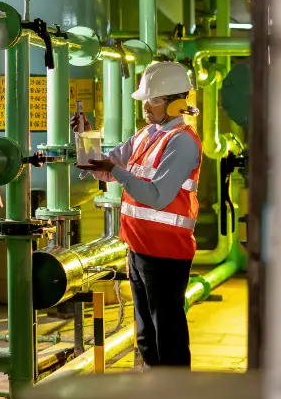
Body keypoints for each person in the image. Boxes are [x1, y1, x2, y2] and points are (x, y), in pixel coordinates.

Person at [71, 61, 202, 368]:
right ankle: (156, 398)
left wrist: (115, 170)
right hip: (138, 249)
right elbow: (102, 169)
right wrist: (85, 138)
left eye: (153, 99)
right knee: (146, 334)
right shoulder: (146, 136)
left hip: (166, 255)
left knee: (166, 335)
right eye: (145, 99)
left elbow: (156, 196)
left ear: (177, 103)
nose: (145, 106)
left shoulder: (182, 142)